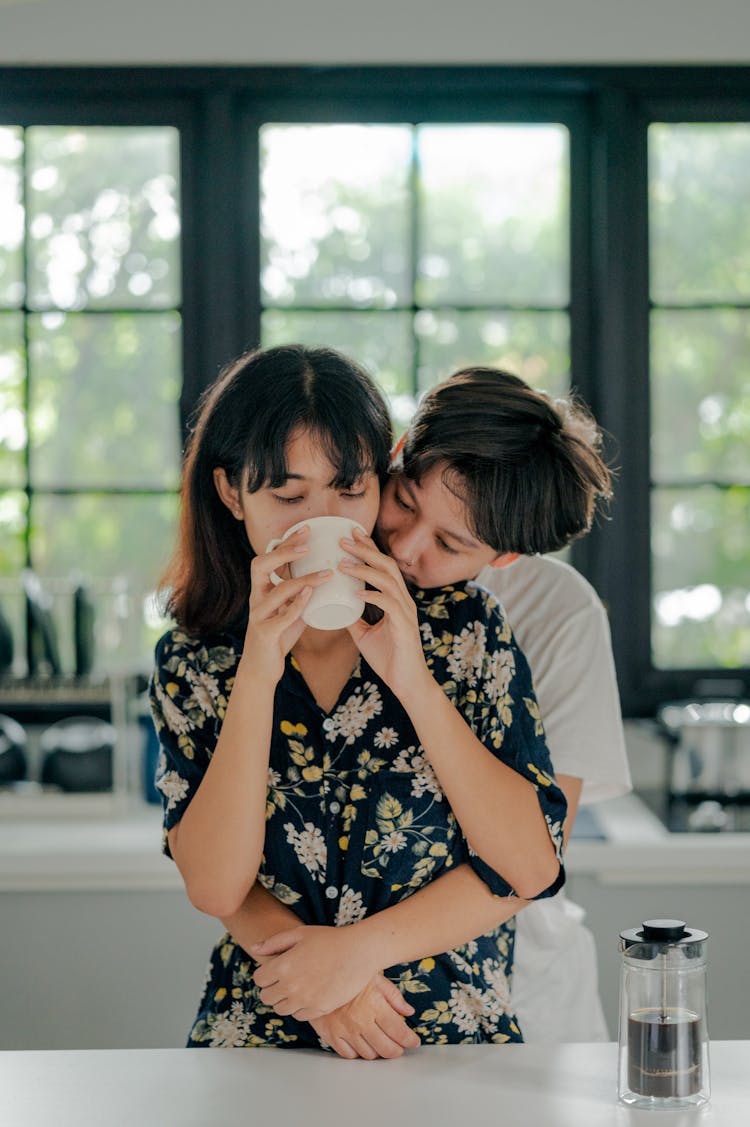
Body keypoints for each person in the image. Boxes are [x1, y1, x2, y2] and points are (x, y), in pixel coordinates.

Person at [150, 345, 567, 1052]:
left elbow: (531, 865)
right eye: (287, 496)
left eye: (351, 490)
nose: (325, 519)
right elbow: (218, 888)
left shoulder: (462, 628)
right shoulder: (196, 660)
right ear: (230, 493)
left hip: (442, 1042)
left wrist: (411, 677)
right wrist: (256, 670)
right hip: (266, 1031)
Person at [380, 367, 632, 1042]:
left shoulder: (558, 613)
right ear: (401, 448)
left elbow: (530, 863)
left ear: (507, 555)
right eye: (405, 501)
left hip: (522, 992)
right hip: (339, 995)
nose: (406, 549)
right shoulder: (344, 557)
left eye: (450, 544)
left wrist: (356, 955)